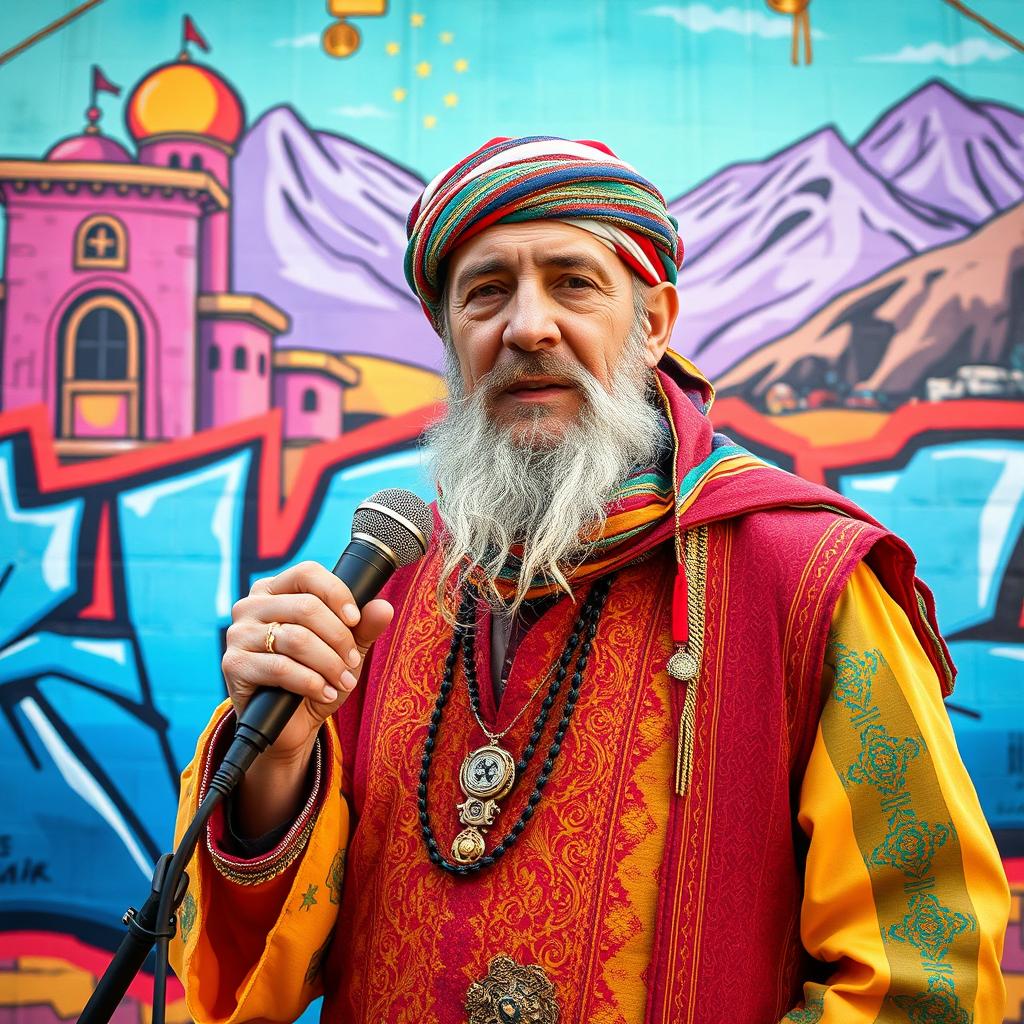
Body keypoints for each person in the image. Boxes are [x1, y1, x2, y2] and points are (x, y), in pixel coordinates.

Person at [170, 137, 1009, 1023]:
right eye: (485, 291)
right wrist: (280, 763)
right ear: (452, 339)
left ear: (652, 325)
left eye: (573, 282)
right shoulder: (393, 590)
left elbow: (926, 973)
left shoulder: (806, 582)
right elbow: (266, 970)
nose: (527, 326)